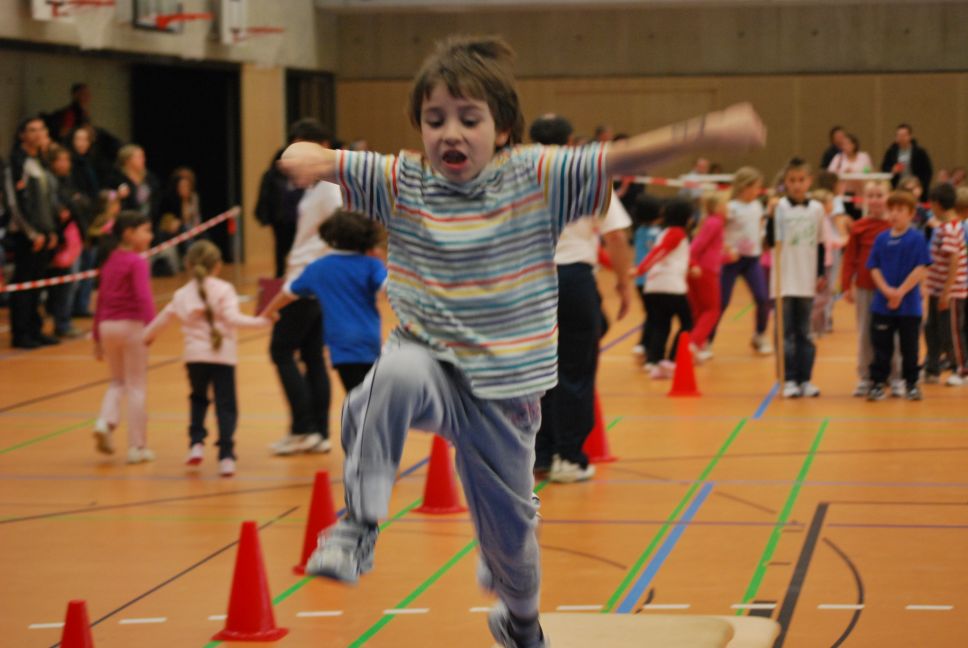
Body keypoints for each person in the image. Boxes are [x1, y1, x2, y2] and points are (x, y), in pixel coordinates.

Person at [276, 35, 765, 648]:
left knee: (512, 545)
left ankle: (521, 621)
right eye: (435, 120)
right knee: (381, 386)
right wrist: (307, 156)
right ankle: (358, 526)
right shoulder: (402, 180)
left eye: (468, 119)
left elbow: (624, 156)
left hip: (505, 394)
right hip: (427, 362)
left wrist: (707, 131)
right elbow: (311, 153)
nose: (450, 133)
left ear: (503, 128)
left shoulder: (537, 175)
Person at [527, 113, 633, 484]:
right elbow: (616, 237)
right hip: (571, 277)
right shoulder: (589, 177)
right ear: (571, 142)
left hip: (527, 280)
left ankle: (539, 454)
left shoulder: (513, 177)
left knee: (535, 369)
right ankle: (569, 456)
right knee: (575, 368)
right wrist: (624, 283)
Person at [143, 240, 271, 477]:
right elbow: (234, 319)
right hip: (223, 357)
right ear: (218, 266)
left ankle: (196, 444)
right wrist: (264, 322)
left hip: (195, 358)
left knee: (198, 398)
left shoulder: (181, 294)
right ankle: (226, 456)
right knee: (226, 405)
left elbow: (164, 318)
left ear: (188, 265)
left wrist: (146, 337)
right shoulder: (224, 289)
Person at [266, 146, 342, 457]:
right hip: (307, 279)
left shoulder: (329, 191)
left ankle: (303, 429)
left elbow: (336, 233)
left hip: (305, 282)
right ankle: (318, 434)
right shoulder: (314, 190)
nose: (290, 173)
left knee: (280, 350)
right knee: (311, 355)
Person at [262, 210, 387, 393]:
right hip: (370, 340)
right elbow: (389, 287)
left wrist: (268, 312)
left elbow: (287, 293)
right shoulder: (371, 264)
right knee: (373, 398)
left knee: (359, 398)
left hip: (342, 345)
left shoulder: (319, 267)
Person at [92, 212, 155, 463]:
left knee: (117, 382)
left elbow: (101, 300)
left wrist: (96, 336)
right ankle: (137, 447)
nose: (150, 236)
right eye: (145, 230)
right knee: (136, 386)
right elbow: (143, 297)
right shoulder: (137, 261)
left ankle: (104, 422)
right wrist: (152, 327)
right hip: (131, 326)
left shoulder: (109, 260)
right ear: (129, 233)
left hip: (107, 327)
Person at [865, 191, 932, 401]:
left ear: (911, 214)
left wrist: (900, 292)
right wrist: (886, 290)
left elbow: (921, 268)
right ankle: (878, 384)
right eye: (891, 210)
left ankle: (911, 384)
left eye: (900, 210)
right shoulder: (881, 238)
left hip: (909, 306)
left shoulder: (917, 238)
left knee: (910, 348)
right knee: (881, 347)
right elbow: (874, 267)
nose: (894, 214)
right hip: (882, 305)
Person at [770, 158, 826, 398]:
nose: (796, 185)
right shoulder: (780, 207)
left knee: (805, 333)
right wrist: (770, 216)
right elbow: (770, 240)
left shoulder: (817, 209)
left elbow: (821, 243)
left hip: (806, 280)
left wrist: (821, 272)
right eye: (792, 180)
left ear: (809, 181)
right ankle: (789, 378)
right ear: (786, 182)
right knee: (785, 334)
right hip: (783, 281)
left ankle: (805, 379)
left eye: (801, 180)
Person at [841, 181, 902, 397]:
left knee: (894, 334)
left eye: (880, 195)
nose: (875, 200)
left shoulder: (897, 226)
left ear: (889, 197)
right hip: (865, 288)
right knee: (866, 333)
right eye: (871, 196)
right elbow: (850, 258)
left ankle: (895, 377)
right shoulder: (859, 226)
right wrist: (846, 285)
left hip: (892, 290)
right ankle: (866, 377)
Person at [255, 119, 333, 278]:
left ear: (324, 145)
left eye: (302, 149)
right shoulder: (309, 185)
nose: (296, 157)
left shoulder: (332, 188)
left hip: (317, 271)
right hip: (300, 267)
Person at [9, 116, 61, 348]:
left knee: (38, 285)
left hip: (44, 234)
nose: (38, 134)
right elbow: (14, 203)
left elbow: (47, 201)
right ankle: (21, 333)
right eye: (32, 130)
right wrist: (32, 234)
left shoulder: (39, 161)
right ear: (22, 135)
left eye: (41, 129)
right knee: (24, 284)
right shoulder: (15, 162)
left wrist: (51, 231)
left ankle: (35, 328)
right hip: (26, 235)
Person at [714, 166, 772, 354]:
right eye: (756, 187)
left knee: (762, 298)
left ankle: (760, 335)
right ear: (744, 187)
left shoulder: (757, 206)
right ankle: (707, 340)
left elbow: (759, 227)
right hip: (731, 261)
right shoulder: (731, 208)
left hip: (752, 260)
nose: (758, 191)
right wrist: (726, 249)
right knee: (721, 302)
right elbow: (717, 231)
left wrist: (763, 241)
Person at [635, 199, 694, 379]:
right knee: (688, 323)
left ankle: (654, 361)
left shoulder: (665, 232)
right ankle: (673, 359)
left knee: (661, 325)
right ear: (686, 218)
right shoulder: (677, 233)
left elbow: (673, 254)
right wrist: (640, 269)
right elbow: (660, 251)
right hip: (671, 287)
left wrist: (692, 266)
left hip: (654, 286)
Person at [922, 183, 968, 386]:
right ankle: (932, 368)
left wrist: (946, 292)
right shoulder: (943, 227)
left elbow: (954, 261)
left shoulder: (950, 229)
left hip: (951, 292)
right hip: (937, 289)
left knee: (952, 332)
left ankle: (962, 370)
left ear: (937, 204)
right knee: (932, 329)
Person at [46, 144, 88, 338]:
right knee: (65, 283)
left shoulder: (69, 182)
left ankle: (63, 320)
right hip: (61, 239)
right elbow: (63, 211)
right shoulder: (53, 184)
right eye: (60, 160)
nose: (64, 164)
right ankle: (62, 323)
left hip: (74, 237)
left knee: (71, 283)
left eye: (67, 160)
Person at [687, 192, 725, 362]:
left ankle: (697, 346)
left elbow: (709, 250)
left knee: (699, 310)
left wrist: (727, 257)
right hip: (704, 270)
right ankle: (693, 344)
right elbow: (697, 246)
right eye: (725, 204)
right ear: (717, 207)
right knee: (712, 310)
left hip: (698, 268)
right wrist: (692, 263)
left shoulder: (708, 221)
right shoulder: (715, 222)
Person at [67, 125, 101, 317]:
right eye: (77, 139)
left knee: (88, 265)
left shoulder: (91, 164)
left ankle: (82, 306)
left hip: (91, 220)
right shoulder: (70, 164)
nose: (80, 143)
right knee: (76, 267)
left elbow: (95, 194)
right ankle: (69, 309)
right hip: (76, 223)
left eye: (84, 139)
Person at [809, 189, 847, 337]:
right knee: (823, 295)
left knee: (825, 294)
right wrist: (844, 241)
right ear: (823, 205)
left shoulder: (826, 219)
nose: (833, 205)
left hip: (827, 261)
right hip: (823, 263)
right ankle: (811, 325)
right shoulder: (821, 220)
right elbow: (827, 241)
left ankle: (819, 327)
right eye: (830, 202)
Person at [630, 193, 663, 358]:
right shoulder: (658, 233)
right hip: (653, 280)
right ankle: (650, 349)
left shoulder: (639, 231)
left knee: (651, 314)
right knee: (657, 316)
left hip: (640, 280)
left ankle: (643, 344)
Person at [880, 123, 933, 192]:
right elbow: (884, 168)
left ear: (910, 136)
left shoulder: (919, 152)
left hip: (914, 186)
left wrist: (920, 183)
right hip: (896, 186)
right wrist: (892, 170)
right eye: (899, 135)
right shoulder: (891, 152)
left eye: (904, 135)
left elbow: (927, 171)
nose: (901, 138)